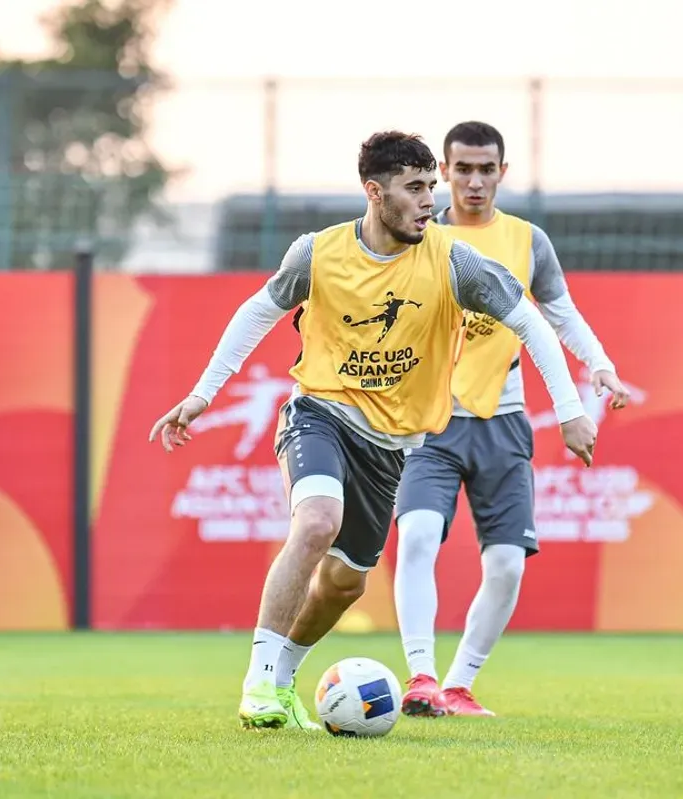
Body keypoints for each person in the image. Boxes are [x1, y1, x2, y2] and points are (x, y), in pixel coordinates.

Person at [148, 130, 598, 731]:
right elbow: (258, 310)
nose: (430, 201)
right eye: (415, 188)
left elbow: (532, 323)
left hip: (392, 448)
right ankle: (257, 685)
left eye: (430, 188)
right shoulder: (317, 253)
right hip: (320, 414)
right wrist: (202, 395)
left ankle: (283, 681)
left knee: (343, 585)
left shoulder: (454, 260)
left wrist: (569, 409)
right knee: (315, 522)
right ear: (374, 191)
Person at [393, 121, 630, 718]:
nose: (475, 181)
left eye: (486, 169)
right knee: (417, 536)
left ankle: (459, 685)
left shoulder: (528, 240)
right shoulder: (417, 235)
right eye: (463, 169)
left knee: (504, 565)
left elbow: (561, 315)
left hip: (503, 421)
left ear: (503, 171)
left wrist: (599, 366)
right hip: (430, 420)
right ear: (442, 173)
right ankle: (420, 677)